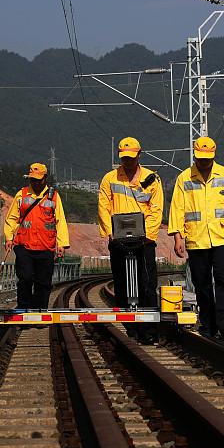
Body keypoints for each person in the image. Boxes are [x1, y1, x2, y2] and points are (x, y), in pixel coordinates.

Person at [169, 136, 224, 343]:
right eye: (201, 158)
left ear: (213, 155)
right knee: (201, 283)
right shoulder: (184, 178)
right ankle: (208, 324)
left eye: (208, 158)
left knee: (223, 280)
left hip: (221, 237)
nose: (204, 162)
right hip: (196, 239)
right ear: (195, 155)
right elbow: (177, 210)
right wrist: (178, 237)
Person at [98, 136, 164, 343]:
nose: (127, 161)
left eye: (131, 158)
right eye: (124, 158)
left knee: (146, 284)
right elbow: (103, 206)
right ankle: (131, 328)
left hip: (144, 241)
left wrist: (149, 236)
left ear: (139, 155)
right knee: (123, 285)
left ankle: (150, 330)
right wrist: (110, 233)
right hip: (118, 240)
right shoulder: (110, 178)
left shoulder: (152, 178)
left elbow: (156, 209)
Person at [4, 162, 69, 309]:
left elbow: (60, 221)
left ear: (45, 178)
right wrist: (9, 237)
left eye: (39, 179)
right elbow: (12, 218)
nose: (36, 182)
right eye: (33, 179)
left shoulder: (54, 197)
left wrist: (62, 244)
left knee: (43, 282)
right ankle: (24, 310)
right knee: (25, 278)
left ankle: (39, 312)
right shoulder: (21, 195)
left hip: (46, 246)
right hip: (24, 246)